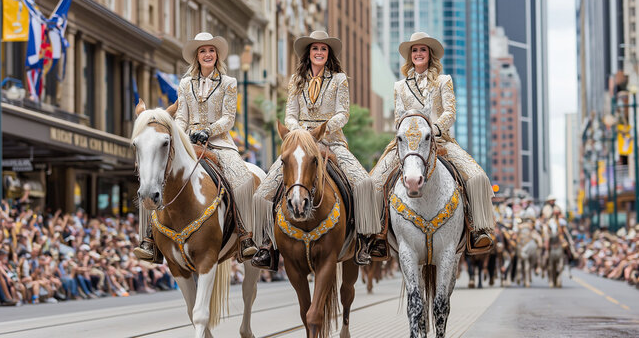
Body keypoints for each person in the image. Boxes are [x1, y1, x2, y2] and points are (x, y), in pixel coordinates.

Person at [250, 31, 383, 269]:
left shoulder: (339, 79)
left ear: (328, 54)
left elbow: (344, 113)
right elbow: (290, 114)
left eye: (323, 49)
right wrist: (300, 132)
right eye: (315, 49)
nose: (319, 53)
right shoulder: (295, 81)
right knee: (263, 192)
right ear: (308, 54)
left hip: (331, 141)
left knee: (364, 182)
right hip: (300, 142)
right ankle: (266, 245)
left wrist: (321, 130)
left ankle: (364, 241)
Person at [134, 32, 257, 261]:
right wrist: (181, 133)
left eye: (211, 50)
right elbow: (180, 116)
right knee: (152, 175)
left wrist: (208, 131)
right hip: (188, 140)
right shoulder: (184, 84)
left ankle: (244, 234)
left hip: (219, 141)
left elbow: (229, 118)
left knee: (242, 177)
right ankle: (149, 238)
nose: (207, 54)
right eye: (203, 51)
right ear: (197, 57)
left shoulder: (229, 83)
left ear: (216, 55)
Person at [371, 32, 494, 250]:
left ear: (430, 55)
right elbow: (399, 117)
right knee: (372, 183)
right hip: (408, 143)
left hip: (439, 140)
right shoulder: (400, 86)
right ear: (410, 55)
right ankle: (377, 234)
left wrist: (434, 129)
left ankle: (478, 229)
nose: (418, 54)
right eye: (415, 50)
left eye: (423, 50)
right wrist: (406, 131)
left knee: (477, 177)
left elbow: (450, 112)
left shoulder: (443, 81)